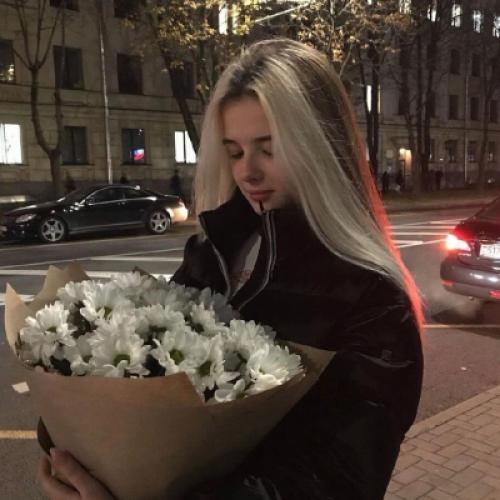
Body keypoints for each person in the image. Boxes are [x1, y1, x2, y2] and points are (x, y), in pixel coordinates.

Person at [38, 39, 423, 500]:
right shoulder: (212, 250)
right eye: (235, 152)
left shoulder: (373, 297)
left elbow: (337, 479)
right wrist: (73, 417)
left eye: (269, 149)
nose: (248, 173)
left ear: (322, 148)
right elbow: (143, 376)